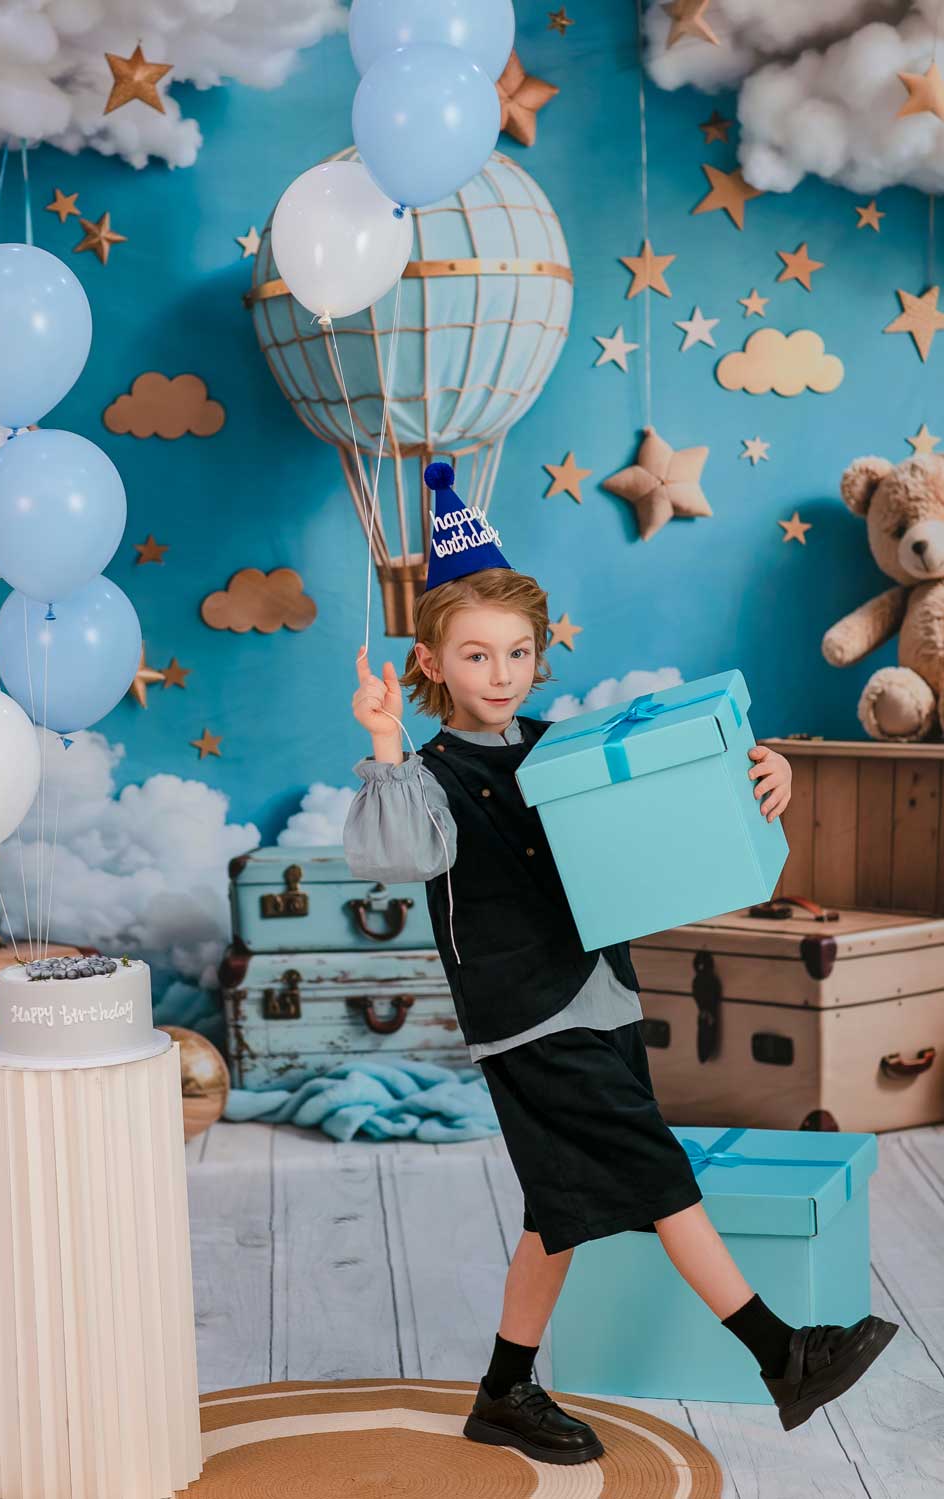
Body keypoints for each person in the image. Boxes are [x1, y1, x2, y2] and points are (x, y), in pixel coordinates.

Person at [342, 461, 898, 1466]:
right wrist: (384, 741)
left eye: (518, 651)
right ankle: (782, 1355)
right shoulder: (425, 780)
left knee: (559, 1211)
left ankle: (504, 1390)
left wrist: (762, 768)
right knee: (657, 1173)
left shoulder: (564, 749)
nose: (501, 673)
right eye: (475, 654)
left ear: (539, 651)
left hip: (600, 996)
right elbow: (395, 854)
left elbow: (663, 801)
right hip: (528, 1017)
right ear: (430, 660)